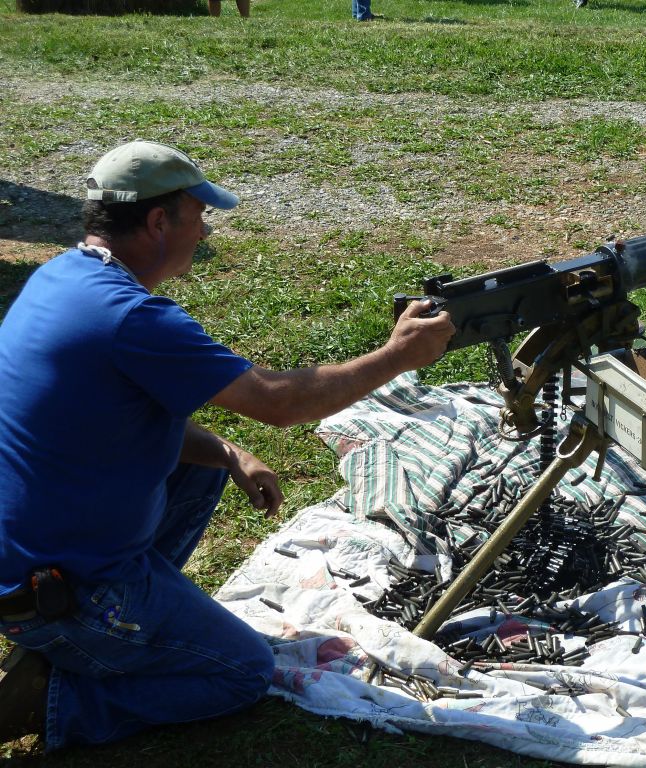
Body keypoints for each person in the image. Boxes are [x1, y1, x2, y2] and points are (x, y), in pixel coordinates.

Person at [0, 140, 454, 749]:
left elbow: (103, 420)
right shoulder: (133, 318)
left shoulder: (61, 277)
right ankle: (62, 695)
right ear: (159, 221)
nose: (204, 228)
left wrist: (227, 452)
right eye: (198, 213)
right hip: (62, 591)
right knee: (240, 672)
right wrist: (400, 356)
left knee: (205, 466)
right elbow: (279, 402)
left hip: (27, 557)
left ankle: (125, 628)